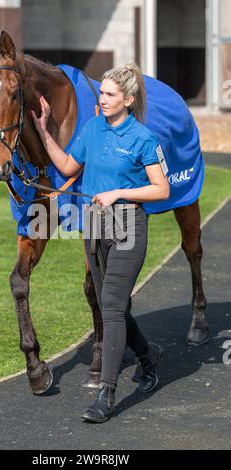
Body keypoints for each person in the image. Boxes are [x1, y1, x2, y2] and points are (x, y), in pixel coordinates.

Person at [31, 63, 170, 423]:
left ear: (128, 99)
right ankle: (147, 355)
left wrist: (119, 193)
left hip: (127, 225)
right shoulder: (92, 128)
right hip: (94, 225)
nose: (102, 99)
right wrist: (44, 131)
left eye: (110, 94)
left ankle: (106, 395)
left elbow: (161, 189)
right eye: (103, 93)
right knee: (115, 307)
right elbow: (65, 166)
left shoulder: (143, 138)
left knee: (109, 305)